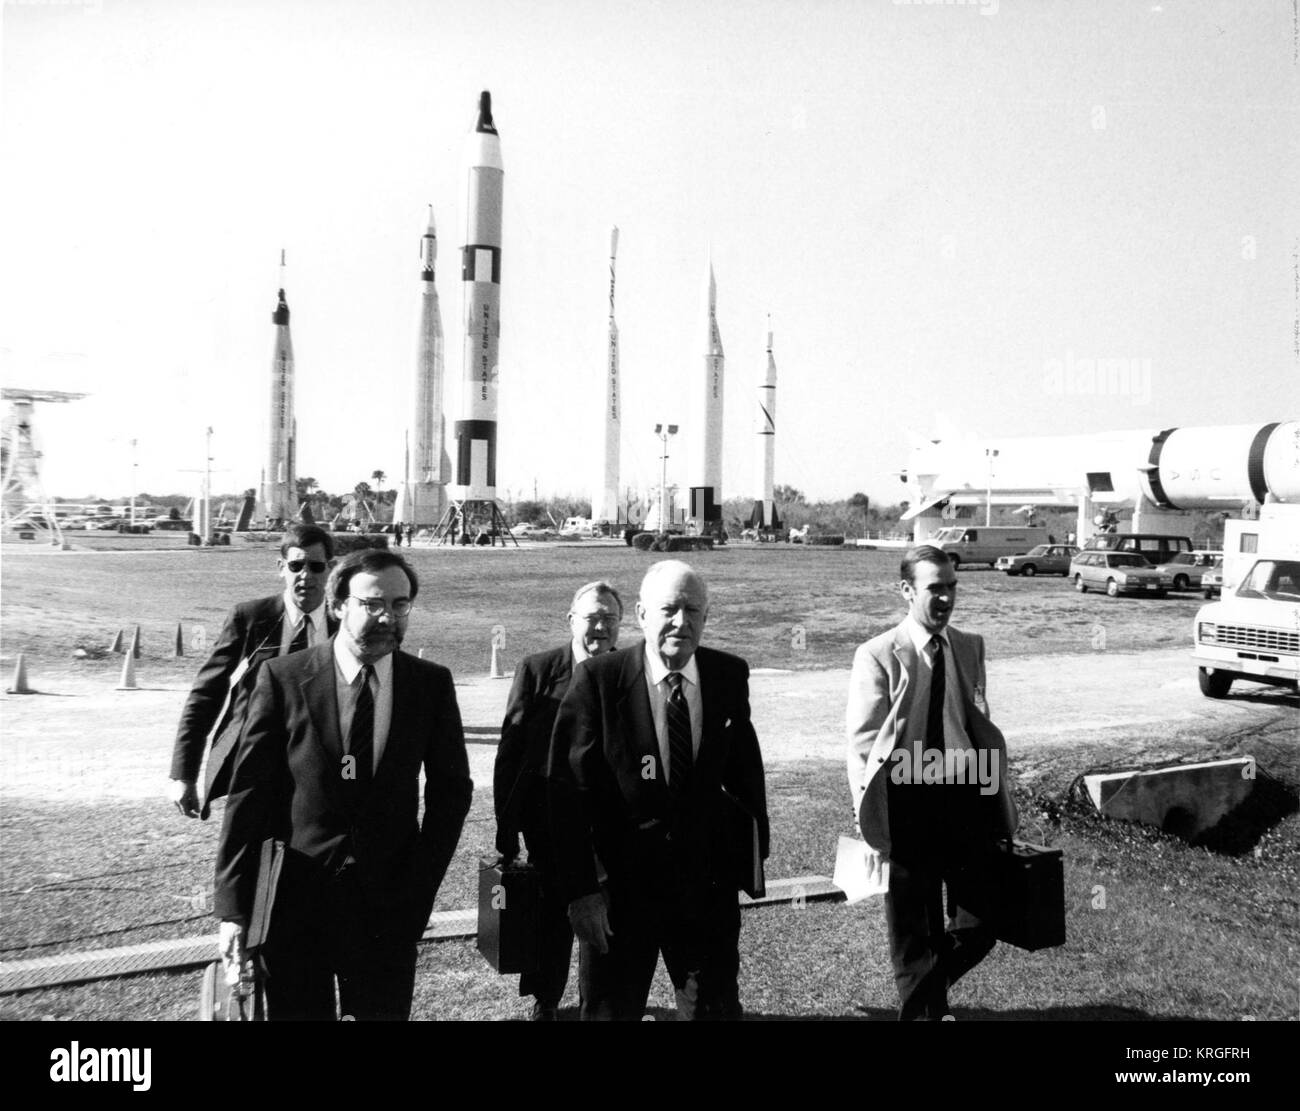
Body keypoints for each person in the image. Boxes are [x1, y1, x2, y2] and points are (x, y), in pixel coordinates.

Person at [213, 548, 472, 1021]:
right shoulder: (282, 678)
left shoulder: (430, 685)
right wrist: (233, 908)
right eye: (371, 604)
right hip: (296, 904)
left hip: (388, 907)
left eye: (399, 605)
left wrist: (419, 887)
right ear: (337, 606)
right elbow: (248, 794)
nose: (386, 617)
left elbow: (450, 793)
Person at [548, 560, 769, 1020]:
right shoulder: (599, 681)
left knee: (714, 1009)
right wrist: (581, 892)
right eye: (669, 609)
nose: (681, 622)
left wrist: (751, 856)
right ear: (643, 614)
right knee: (611, 1011)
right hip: (618, 897)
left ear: (707, 616)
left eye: (693, 610)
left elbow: (746, 771)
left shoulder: (728, 674)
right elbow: (566, 794)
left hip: (704, 891)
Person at [845, 545, 1018, 1021]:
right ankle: (925, 1009)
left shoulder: (969, 645)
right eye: (934, 588)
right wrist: (870, 821)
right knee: (913, 931)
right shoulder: (878, 654)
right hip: (907, 801)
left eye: (952, 586)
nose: (946, 598)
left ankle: (924, 996)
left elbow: (976, 718)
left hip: (965, 799)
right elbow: (862, 745)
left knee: (982, 922)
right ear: (907, 591)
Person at [493, 580, 624, 1020]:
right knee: (550, 921)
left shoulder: (630, 671)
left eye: (610, 619)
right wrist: (506, 828)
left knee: (602, 923)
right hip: (547, 820)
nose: (601, 627)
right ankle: (546, 1002)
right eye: (592, 618)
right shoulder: (538, 670)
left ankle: (596, 1004)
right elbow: (509, 755)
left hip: (608, 827)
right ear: (571, 620)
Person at [168, 523, 338, 820]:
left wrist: (356, 772)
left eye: (316, 566)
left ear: (330, 569)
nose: (306, 576)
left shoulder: (346, 624)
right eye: (296, 565)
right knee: (239, 860)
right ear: (281, 567)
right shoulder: (251, 617)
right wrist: (184, 774)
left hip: (322, 761)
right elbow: (207, 691)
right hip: (255, 758)